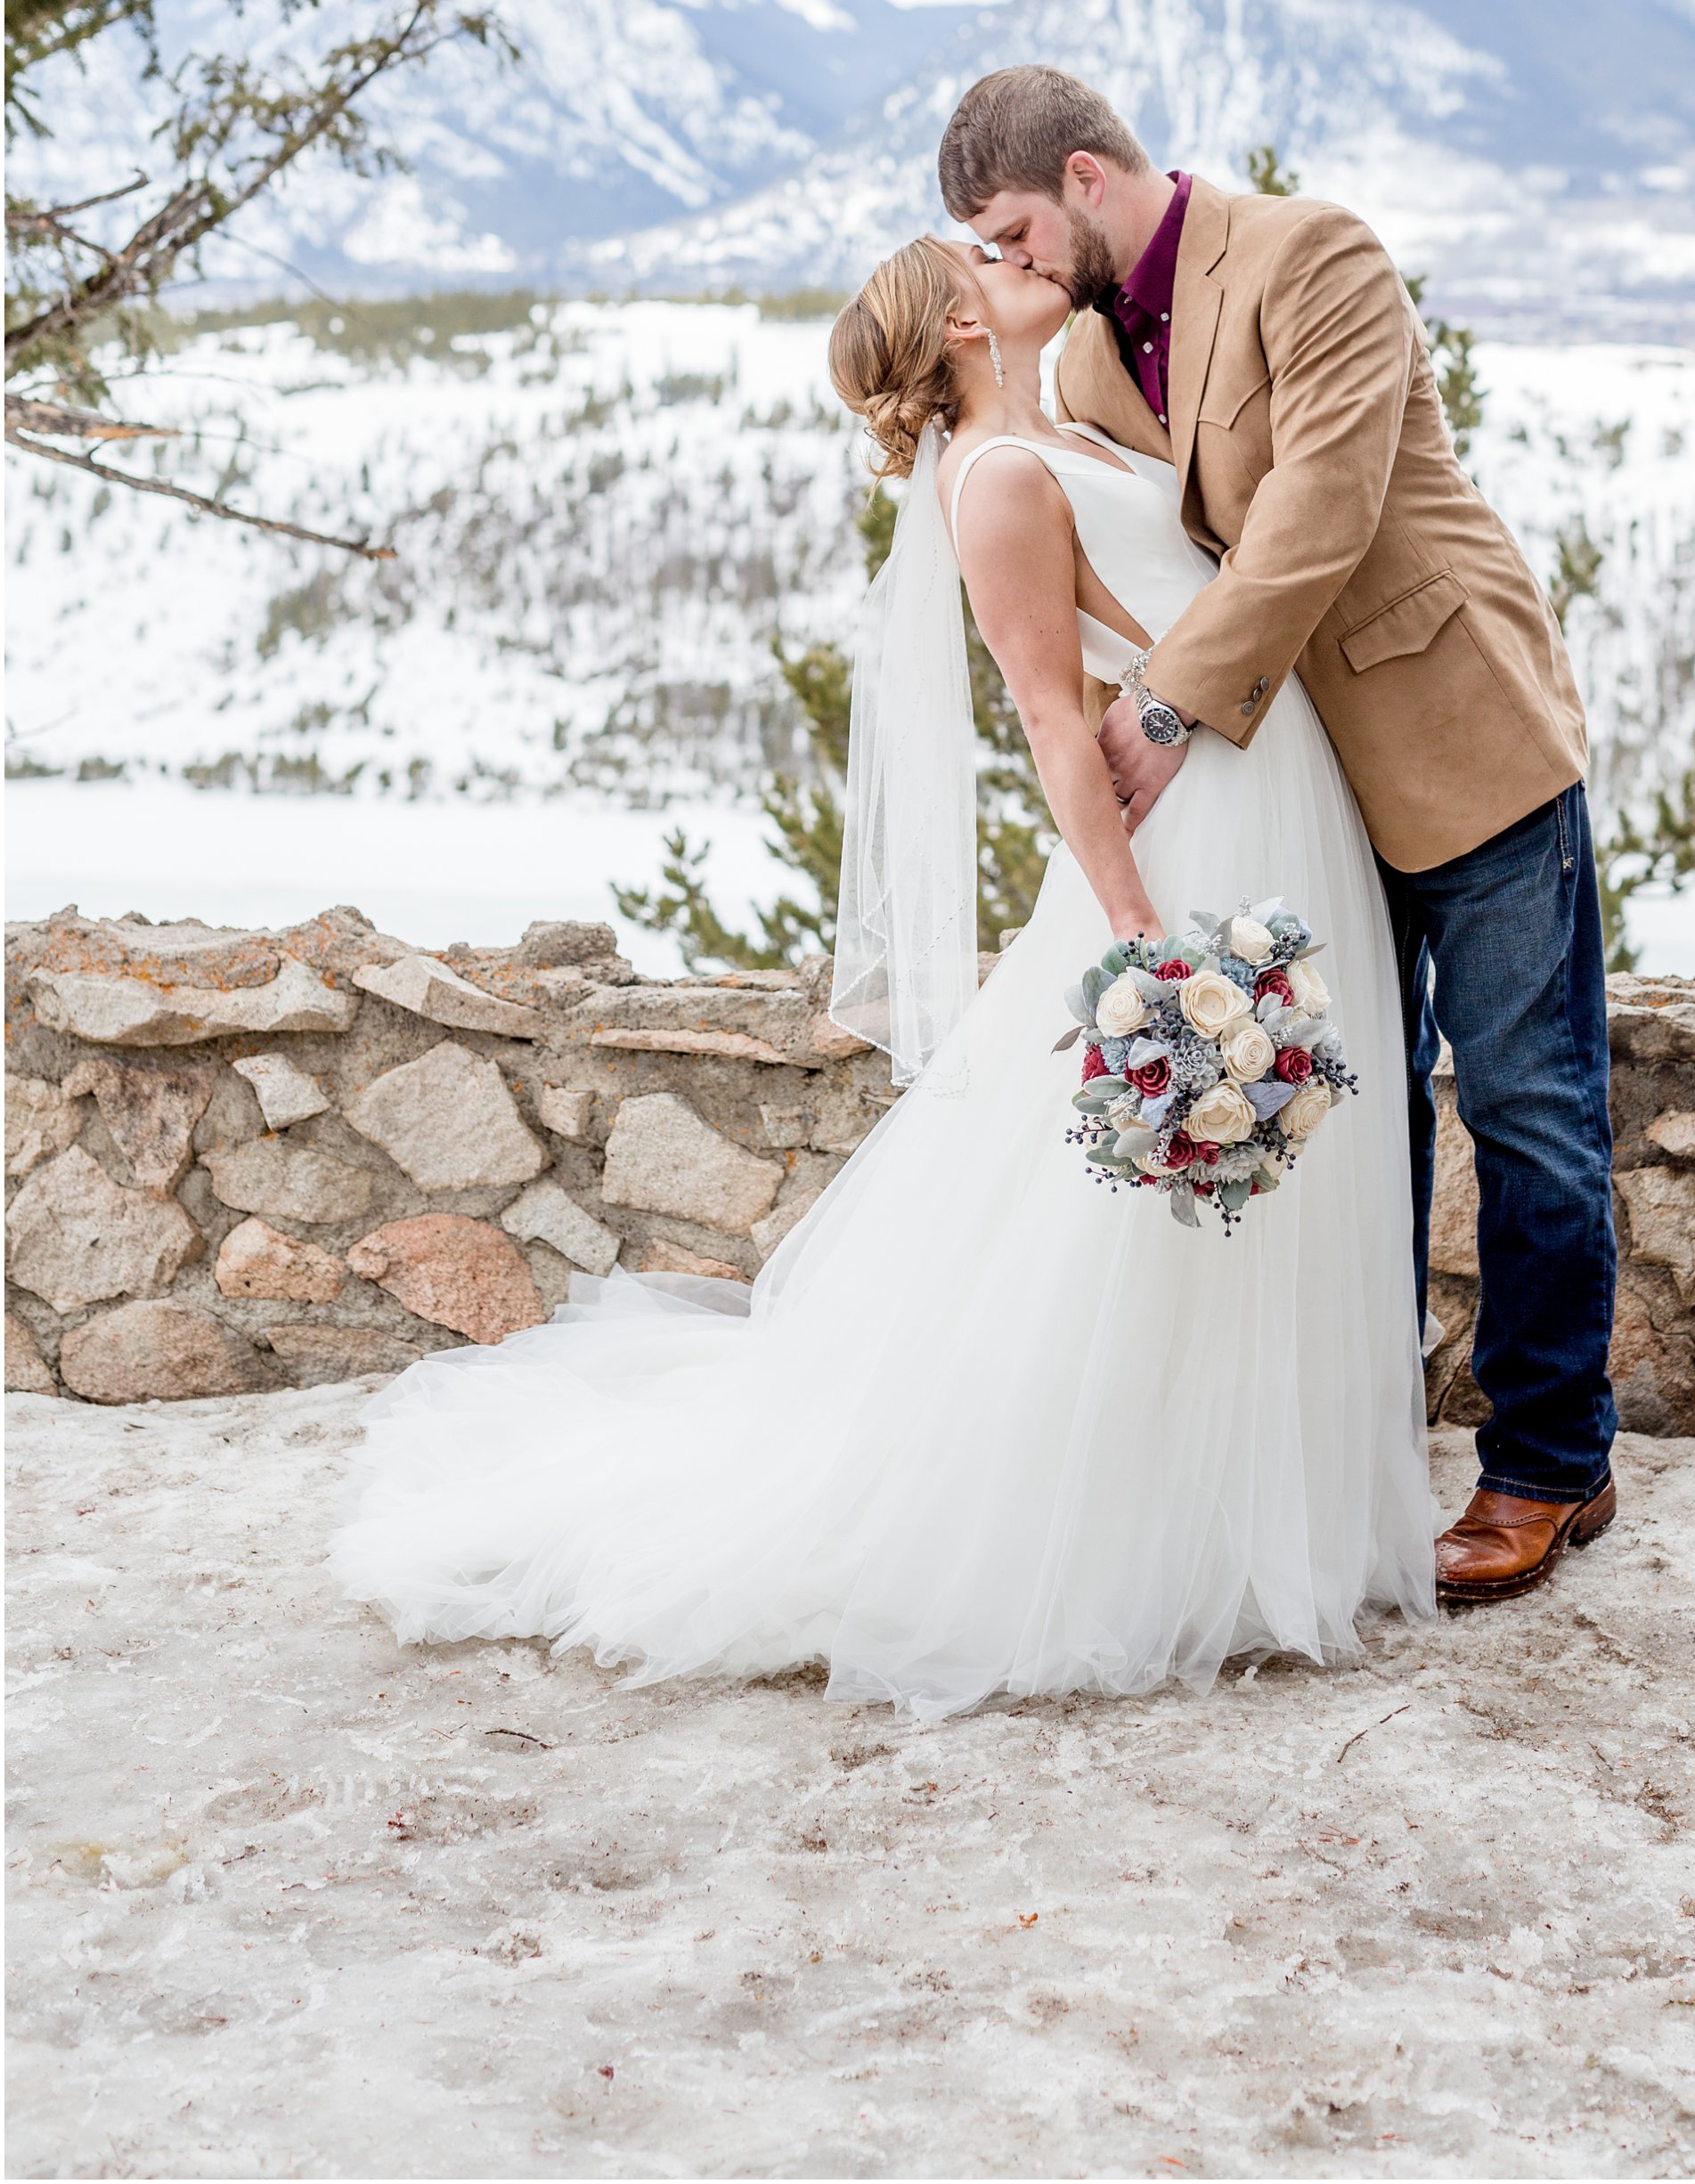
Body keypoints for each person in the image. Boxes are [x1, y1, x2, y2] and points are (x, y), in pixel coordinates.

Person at [333, 232, 1439, 1716]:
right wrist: (1148, 945)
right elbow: (1054, 722)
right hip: (1182, 859)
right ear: (964, 318)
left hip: (1266, 807)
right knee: (1142, 1224)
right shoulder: (995, 483)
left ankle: (1276, 1511)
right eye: (980, 251)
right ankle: (1162, 1537)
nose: (1014, 248)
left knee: (1250, 1206)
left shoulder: (1075, 420)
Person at [939, 66, 1618, 1606]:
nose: (1021, 264)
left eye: (1019, 229)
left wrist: (1166, 711)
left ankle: (1553, 1460)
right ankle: (1368, 1447)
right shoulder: (1096, 349)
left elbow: (1317, 505)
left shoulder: (1315, 255)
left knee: (1530, 1109)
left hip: (1460, 742)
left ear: (1092, 175)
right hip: (1299, 794)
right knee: (1357, 1121)